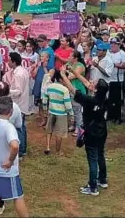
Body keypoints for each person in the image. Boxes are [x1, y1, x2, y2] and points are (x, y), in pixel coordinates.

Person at [60, 67, 109, 196]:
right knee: (100, 155)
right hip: (102, 131)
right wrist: (75, 72)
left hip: (91, 133)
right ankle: (102, 180)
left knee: (92, 159)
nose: (91, 82)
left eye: (94, 82)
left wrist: (63, 75)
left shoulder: (89, 100)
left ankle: (93, 187)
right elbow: (87, 83)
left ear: (95, 89)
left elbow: (72, 89)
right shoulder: (103, 98)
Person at [43, 70, 73, 155]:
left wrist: (45, 109)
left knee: (49, 130)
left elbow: (45, 99)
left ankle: (48, 147)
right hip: (62, 114)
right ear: (60, 79)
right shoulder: (65, 90)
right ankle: (58, 151)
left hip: (51, 111)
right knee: (59, 133)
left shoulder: (49, 87)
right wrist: (71, 114)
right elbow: (67, 104)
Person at [7, 52, 30, 157]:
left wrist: (7, 92)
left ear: (13, 61)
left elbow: (18, 91)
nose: (7, 62)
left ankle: (20, 151)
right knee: (22, 127)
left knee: (19, 128)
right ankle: (23, 150)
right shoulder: (22, 71)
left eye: (9, 60)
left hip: (19, 104)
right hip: (22, 103)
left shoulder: (19, 74)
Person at [107, 37, 125, 123]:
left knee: (117, 100)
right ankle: (110, 116)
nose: (112, 45)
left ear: (119, 44)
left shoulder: (122, 53)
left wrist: (114, 64)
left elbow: (123, 65)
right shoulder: (108, 53)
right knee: (110, 99)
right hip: (109, 79)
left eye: (114, 44)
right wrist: (116, 64)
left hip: (118, 80)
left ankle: (118, 117)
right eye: (111, 43)